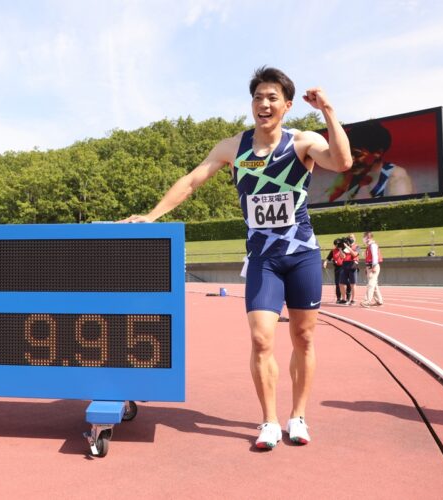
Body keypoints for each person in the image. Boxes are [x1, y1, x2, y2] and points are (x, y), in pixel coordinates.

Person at [121, 67, 352, 449]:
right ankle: (269, 421)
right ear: (252, 104)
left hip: (302, 255)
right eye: (258, 97)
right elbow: (193, 180)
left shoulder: (302, 142)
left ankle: (298, 416)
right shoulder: (233, 147)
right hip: (263, 259)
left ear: (287, 105)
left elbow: (342, 162)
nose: (264, 104)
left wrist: (328, 110)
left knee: (303, 336)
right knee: (262, 339)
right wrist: (152, 214)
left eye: (272, 98)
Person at [325, 120, 413, 202]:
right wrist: (338, 190)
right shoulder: (347, 175)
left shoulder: (395, 175)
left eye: (357, 154)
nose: (350, 159)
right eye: (348, 153)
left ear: (378, 152)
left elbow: (399, 212)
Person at [361, 231, 384, 307]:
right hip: (369, 266)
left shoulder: (373, 245)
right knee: (374, 285)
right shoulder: (369, 246)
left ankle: (367, 301)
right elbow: (368, 258)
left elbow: (375, 256)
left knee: (371, 284)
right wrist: (366, 267)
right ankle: (379, 301)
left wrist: (373, 266)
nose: (363, 239)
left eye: (364, 237)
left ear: (368, 237)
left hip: (373, 266)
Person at [338, 233, 359, 305]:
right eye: (349, 237)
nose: (350, 238)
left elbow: (355, 254)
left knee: (353, 283)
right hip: (345, 264)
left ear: (354, 239)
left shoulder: (357, 246)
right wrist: (340, 249)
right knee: (341, 283)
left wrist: (348, 247)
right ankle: (344, 299)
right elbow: (342, 257)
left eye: (352, 237)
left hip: (352, 264)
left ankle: (353, 300)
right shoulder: (345, 247)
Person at [323, 238, 345, 303]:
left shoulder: (344, 249)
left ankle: (346, 297)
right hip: (337, 268)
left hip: (344, 267)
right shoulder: (333, 251)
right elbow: (328, 258)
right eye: (335, 245)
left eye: (337, 245)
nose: (336, 246)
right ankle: (338, 298)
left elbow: (344, 256)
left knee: (344, 283)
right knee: (337, 283)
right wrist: (325, 262)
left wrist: (341, 249)